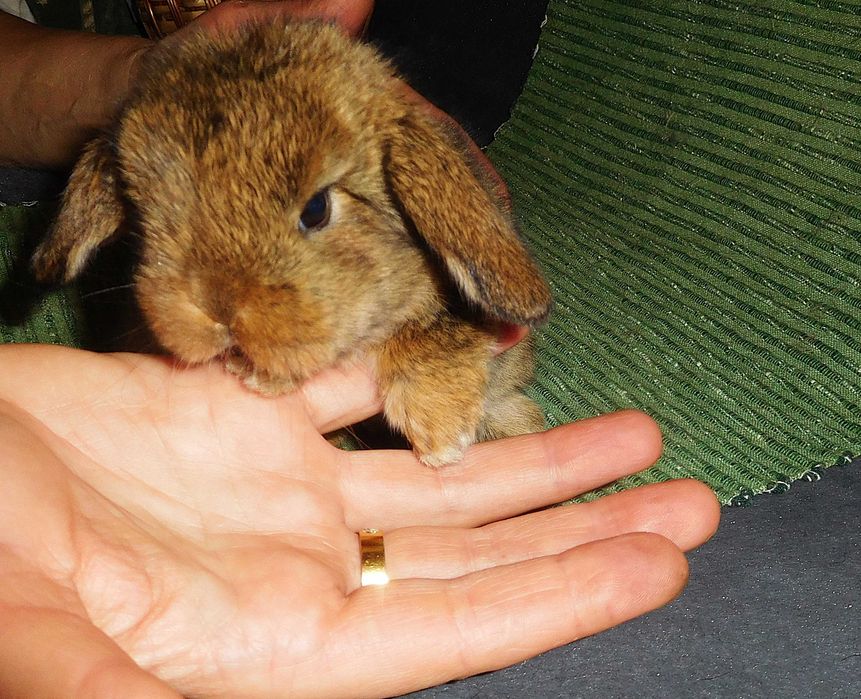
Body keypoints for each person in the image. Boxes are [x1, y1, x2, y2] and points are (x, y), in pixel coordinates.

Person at [0, 2, 721, 696]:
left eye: (312, 210)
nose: (225, 303)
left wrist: (438, 345)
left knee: (488, 390)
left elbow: (494, 288)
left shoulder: (391, 141)